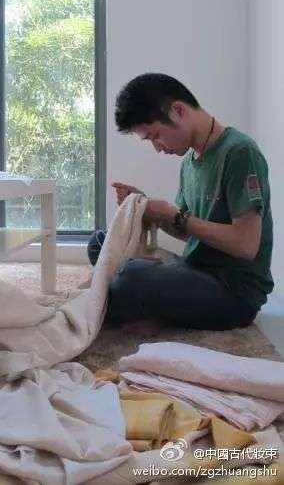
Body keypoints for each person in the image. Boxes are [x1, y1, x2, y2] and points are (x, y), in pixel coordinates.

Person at [88, 73, 274, 330]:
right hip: (195, 267)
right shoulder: (189, 161)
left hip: (233, 291)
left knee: (130, 277)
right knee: (100, 243)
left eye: (155, 136)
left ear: (178, 111)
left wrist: (174, 215)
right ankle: (136, 303)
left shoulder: (240, 152)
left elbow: (246, 245)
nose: (158, 148)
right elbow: (187, 232)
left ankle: (124, 300)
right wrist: (148, 209)